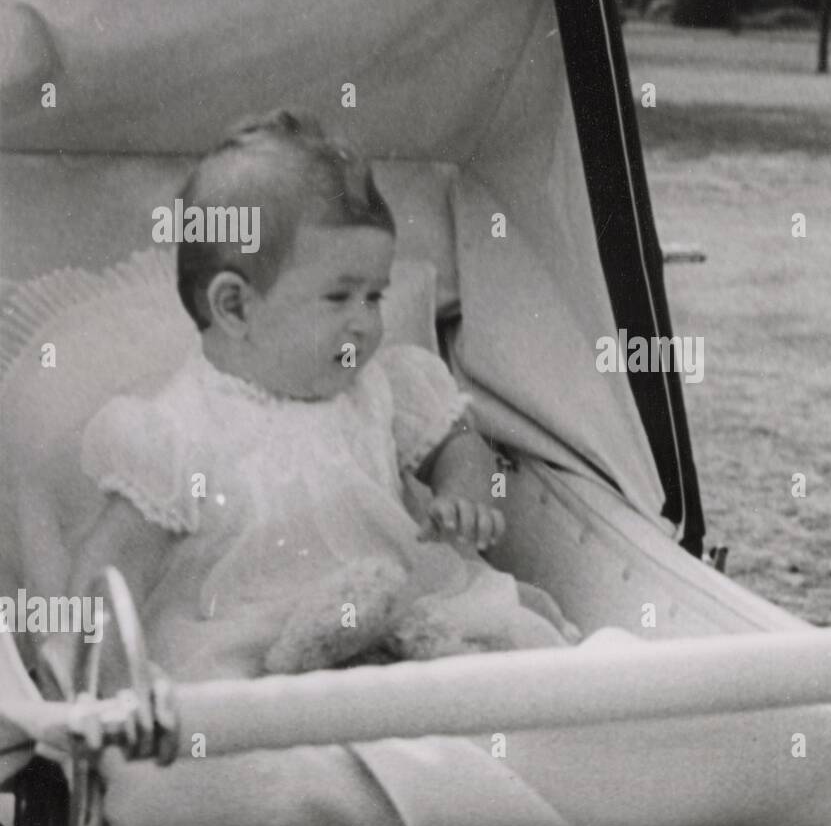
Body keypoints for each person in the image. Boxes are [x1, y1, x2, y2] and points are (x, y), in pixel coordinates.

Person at [65, 109, 578, 686]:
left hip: (400, 608)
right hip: (250, 647)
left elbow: (459, 443)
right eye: (339, 298)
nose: (365, 324)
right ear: (235, 307)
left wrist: (463, 492)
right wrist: (104, 677)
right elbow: (111, 565)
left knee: (510, 672)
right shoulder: (176, 434)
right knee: (234, 745)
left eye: (375, 296)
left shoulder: (380, 388)